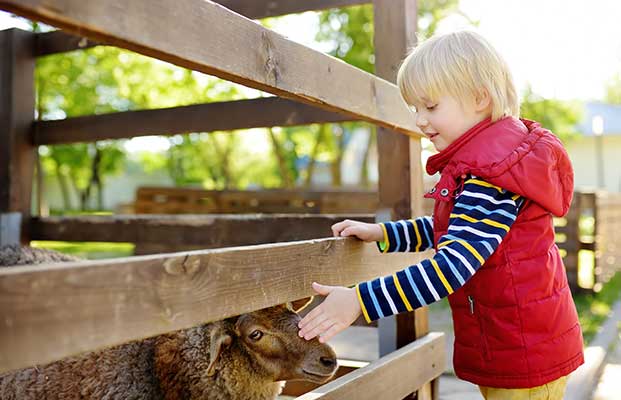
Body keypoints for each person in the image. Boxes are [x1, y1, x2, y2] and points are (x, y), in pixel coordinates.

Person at [297, 30, 583, 399]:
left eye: (430, 107)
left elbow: (451, 265)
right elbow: (453, 229)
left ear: (480, 98)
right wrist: (387, 234)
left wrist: (359, 300)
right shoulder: (493, 165)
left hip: (522, 354)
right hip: (520, 344)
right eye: (415, 109)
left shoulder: (490, 176)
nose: (419, 120)